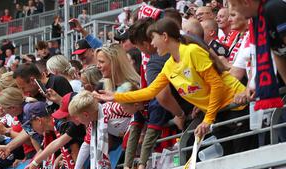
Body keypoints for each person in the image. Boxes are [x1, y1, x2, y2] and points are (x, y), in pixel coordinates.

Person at [95, 17, 250, 154]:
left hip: (236, 107)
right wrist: (115, 96)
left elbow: (217, 85)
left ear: (165, 37)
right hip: (219, 113)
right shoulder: (169, 65)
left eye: (154, 38)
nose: (153, 43)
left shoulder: (191, 51)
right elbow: (150, 92)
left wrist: (207, 119)